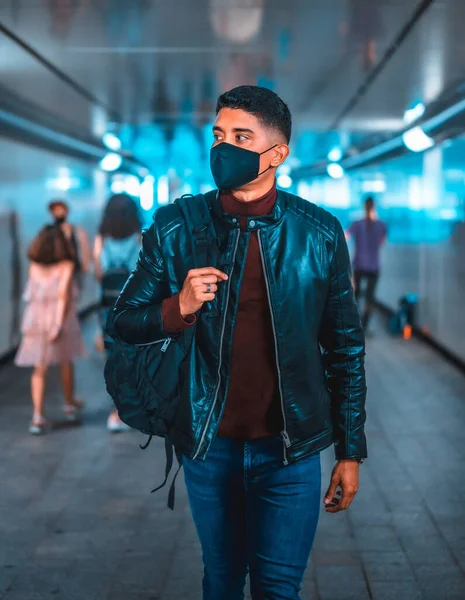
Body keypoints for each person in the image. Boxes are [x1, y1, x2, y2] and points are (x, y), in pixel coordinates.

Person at [113, 85, 367, 599]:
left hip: (290, 451)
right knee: (223, 580)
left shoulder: (318, 235)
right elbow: (124, 321)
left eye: (241, 136)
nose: (222, 148)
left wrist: (349, 451)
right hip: (210, 446)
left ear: (276, 154)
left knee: (278, 588)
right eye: (219, 134)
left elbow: (344, 348)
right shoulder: (175, 226)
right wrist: (178, 307)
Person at [15, 223, 87, 434]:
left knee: (39, 368)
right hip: (59, 319)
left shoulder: (34, 266)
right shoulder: (66, 265)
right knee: (66, 361)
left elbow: (32, 295)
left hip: (35, 320)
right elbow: (63, 296)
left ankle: (37, 416)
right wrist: (57, 324)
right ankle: (69, 405)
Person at [93, 193, 142, 432]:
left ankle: (116, 412)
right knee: (133, 356)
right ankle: (135, 407)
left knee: (112, 358)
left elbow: (99, 274)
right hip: (133, 306)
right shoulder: (139, 238)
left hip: (107, 308)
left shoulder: (101, 240)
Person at [346, 196, 387, 329]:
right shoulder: (381, 225)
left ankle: (356, 324)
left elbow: (345, 236)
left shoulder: (357, 224)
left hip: (359, 265)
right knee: (370, 297)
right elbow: (382, 242)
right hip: (373, 266)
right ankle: (365, 324)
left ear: (364, 207)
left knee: (356, 295)